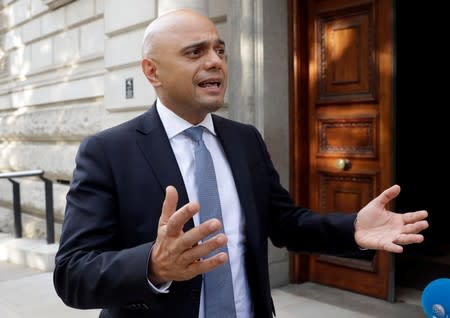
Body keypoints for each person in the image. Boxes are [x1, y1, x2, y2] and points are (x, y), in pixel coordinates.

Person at [53, 8, 429, 318]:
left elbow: (286, 224)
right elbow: (72, 273)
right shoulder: (107, 152)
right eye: (195, 52)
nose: (215, 62)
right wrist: (152, 265)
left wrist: (352, 229)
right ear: (152, 71)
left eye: (220, 50)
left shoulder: (244, 139)